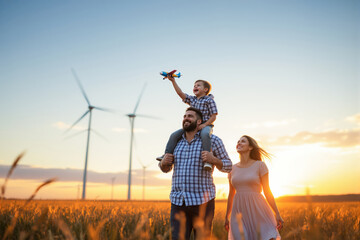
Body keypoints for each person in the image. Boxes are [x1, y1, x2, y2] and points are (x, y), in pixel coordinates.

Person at [159, 107, 232, 240]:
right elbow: (165, 169)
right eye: (185, 116)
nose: (186, 118)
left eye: (190, 116)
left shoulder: (213, 140)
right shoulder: (175, 142)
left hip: (203, 203)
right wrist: (163, 163)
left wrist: (214, 160)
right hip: (178, 202)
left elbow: (228, 165)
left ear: (199, 122)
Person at [225, 135, 284, 240]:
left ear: (251, 147)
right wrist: (226, 216)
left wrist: (277, 213)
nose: (239, 143)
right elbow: (231, 194)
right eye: (238, 141)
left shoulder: (260, 165)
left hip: (259, 210)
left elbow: (267, 191)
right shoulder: (232, 168)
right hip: (238, 213)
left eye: (243, 141)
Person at [157, 75, 218, 171]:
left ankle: (207, 161)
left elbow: (213, 116)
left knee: (205, 134)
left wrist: (204, 125)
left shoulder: (209, 100)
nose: (195, 87)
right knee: (174, 135)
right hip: (192, 126)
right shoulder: (193, 100)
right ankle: (166, 154)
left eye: (198, 85)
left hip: (206, 125)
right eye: (194, 86)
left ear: (205, 89)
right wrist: (173, 81)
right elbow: (180, 93)